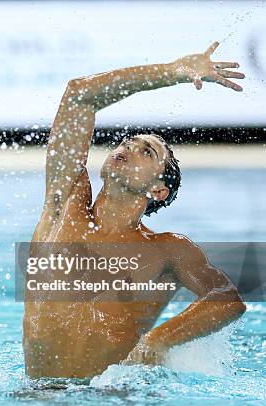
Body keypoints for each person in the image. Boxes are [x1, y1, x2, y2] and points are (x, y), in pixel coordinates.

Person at [23, 42, 247, 378]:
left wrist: (159, 340)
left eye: (146, 152)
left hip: (114, 397)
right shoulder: (65, 203)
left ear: (158, 190)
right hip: (36, 397)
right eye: (128, 142)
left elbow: (228, 299)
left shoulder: (168, 250)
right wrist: (173, 71)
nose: (129, 146)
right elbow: (78, 94)